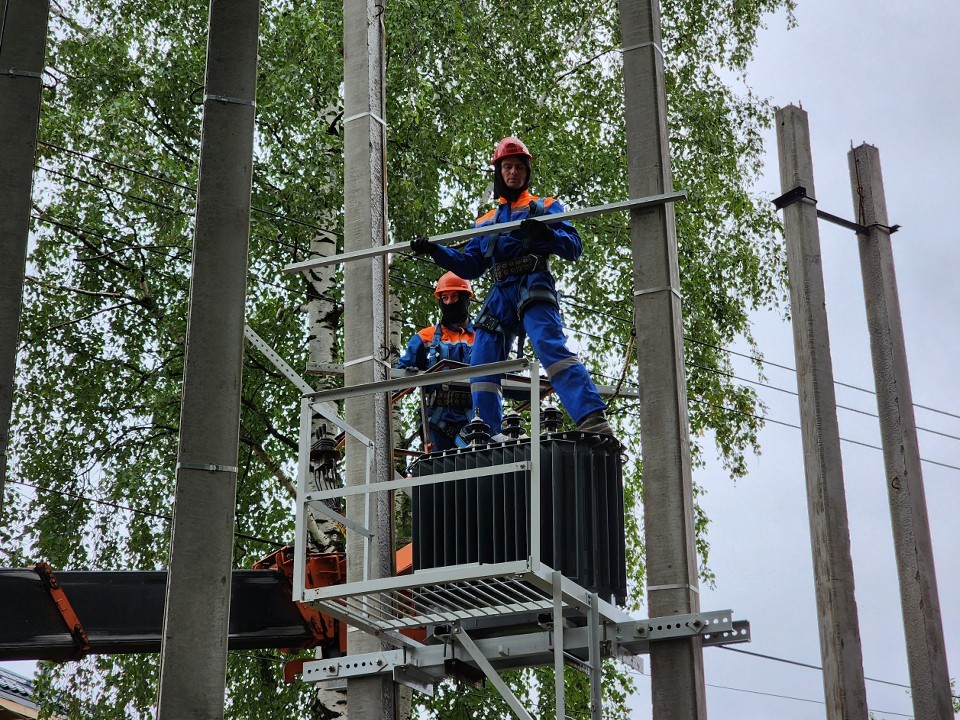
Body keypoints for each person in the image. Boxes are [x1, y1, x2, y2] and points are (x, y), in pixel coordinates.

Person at [411, 136, 614, 439]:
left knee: (549, 346)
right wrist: (436, 251)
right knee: (481, 363)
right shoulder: (486, 221)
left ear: (527, 171)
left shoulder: (545, 206)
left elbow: (574, 247)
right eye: (507, 166)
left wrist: (547, 235)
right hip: (500, 292)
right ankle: (487, 434)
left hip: (533, 283)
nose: (513, 172)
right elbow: (471, 265)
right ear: (499, 172)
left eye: (519, 167)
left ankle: (591, 416)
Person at [396, 272, 476, 450]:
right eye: (444, 298)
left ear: (466, 299)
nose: (449, 303)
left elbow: (502, 375)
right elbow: (399, 378)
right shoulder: (426, 337)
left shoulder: (482, 337)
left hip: (473, 418)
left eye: (455, 297)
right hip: (437, 419)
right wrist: (407, 376)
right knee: (437, 470)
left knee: (475, 469)